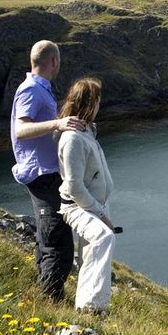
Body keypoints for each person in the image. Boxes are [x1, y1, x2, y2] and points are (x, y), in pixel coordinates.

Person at [11, 40, 84, 301]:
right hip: (41, 174)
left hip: (47, 173)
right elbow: (21, 129)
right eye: (59, 61)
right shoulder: (30, 90)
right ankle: (51, 300)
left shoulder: (41, 88)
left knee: (50, 237)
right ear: (53, 61)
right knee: (58, 243)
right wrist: (57, 124)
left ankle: (47, 294)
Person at [57, 77, 115, 313]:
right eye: (98, 100)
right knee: (103, 237)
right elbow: (74, 186)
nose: (100, 105)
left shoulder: (87, 130)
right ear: (90, 103)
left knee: (90, 251)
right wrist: (101, 215)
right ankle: (92, 306)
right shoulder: (72, 138)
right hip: (77, 206)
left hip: (94, 203)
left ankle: (85, 307)